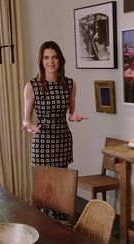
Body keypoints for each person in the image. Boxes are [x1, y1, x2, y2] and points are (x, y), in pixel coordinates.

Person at [22, 40, 88, 169]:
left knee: (62, 185)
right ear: (41, 60)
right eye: (46, 57)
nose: (51, 62)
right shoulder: (32, 86)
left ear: (60, 60)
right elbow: (26, 120)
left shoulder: (70, 84)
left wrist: (74, 117)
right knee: (44, 187)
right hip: (43, 142)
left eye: (55, 57)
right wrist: (30, 127)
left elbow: (71, 114)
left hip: (63, 140)